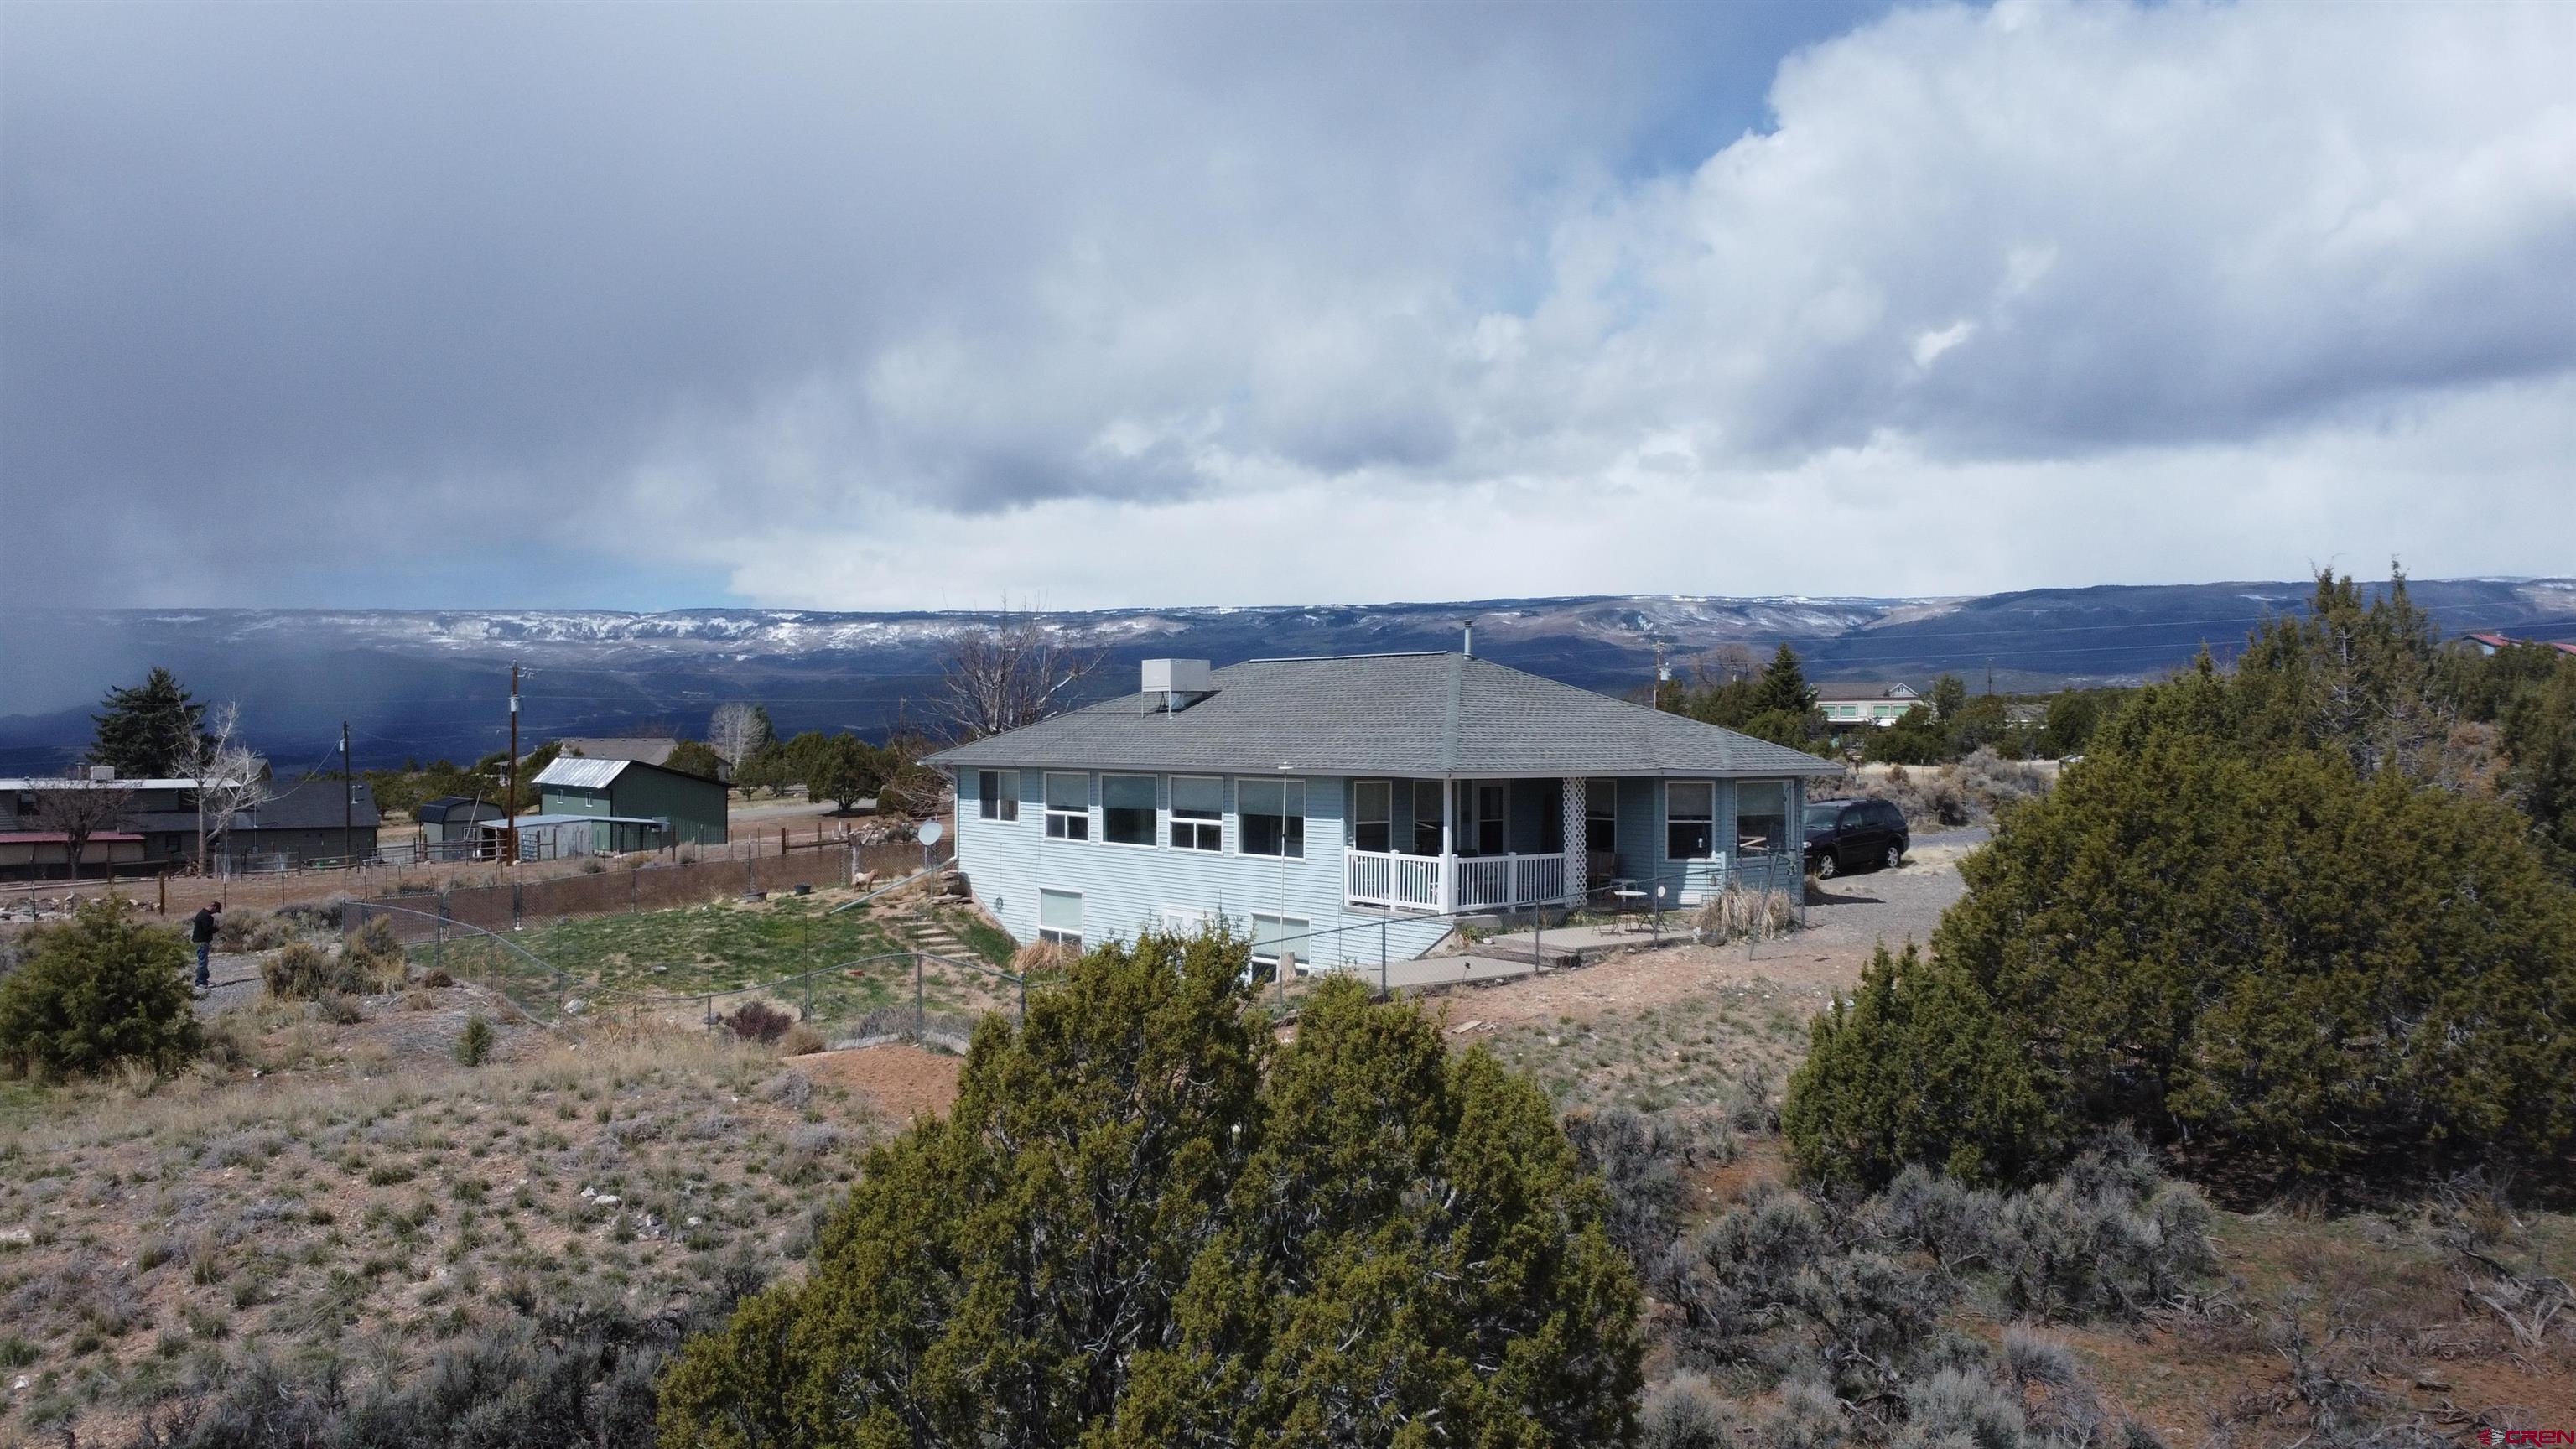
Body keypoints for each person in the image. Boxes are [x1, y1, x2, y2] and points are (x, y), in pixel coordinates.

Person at [190, 900, 223, 990]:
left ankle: (204, 980)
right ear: (214, 907)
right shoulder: (206, 916)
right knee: (202, 962)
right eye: (216, 911)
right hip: (202, 941)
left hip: (201, 941)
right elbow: (207, 929)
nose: (215, 913)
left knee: (204, 962)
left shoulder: (203, 914)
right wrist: (216, 929)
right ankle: (199, 982)